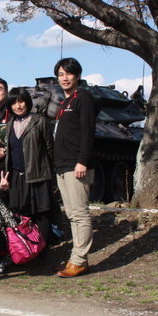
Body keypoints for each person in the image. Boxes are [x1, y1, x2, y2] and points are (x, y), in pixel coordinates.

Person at [53, 58, 97, 278]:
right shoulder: (65, 102)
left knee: (79, 213)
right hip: (62, 165)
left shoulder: (84, 98)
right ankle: (75, 258)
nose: (64, 78)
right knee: (71, 214)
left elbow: (89, 132)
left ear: (77, 76)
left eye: (68, 73)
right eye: (60, 74)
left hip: (75, 165)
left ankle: (80, 261)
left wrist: (83, 161)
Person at [1, 88, 54, 247]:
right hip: (17, 176)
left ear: (27, 102)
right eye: (13, 103)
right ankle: (28, 249)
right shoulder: (10, 124)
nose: (18, 106)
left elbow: (50, 149)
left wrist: (48, 172)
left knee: (41, 214)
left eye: (21, 101)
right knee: (22, 214)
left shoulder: (40, 121)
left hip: (38, 175)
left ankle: (43, 250)